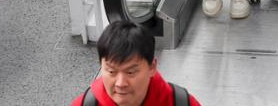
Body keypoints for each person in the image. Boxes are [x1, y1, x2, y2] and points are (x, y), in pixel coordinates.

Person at [71, 21, 202, 106]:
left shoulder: (181, 103)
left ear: (152, 67)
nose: (120, 83)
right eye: (111, 71)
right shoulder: (84, 104)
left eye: (130, 72)